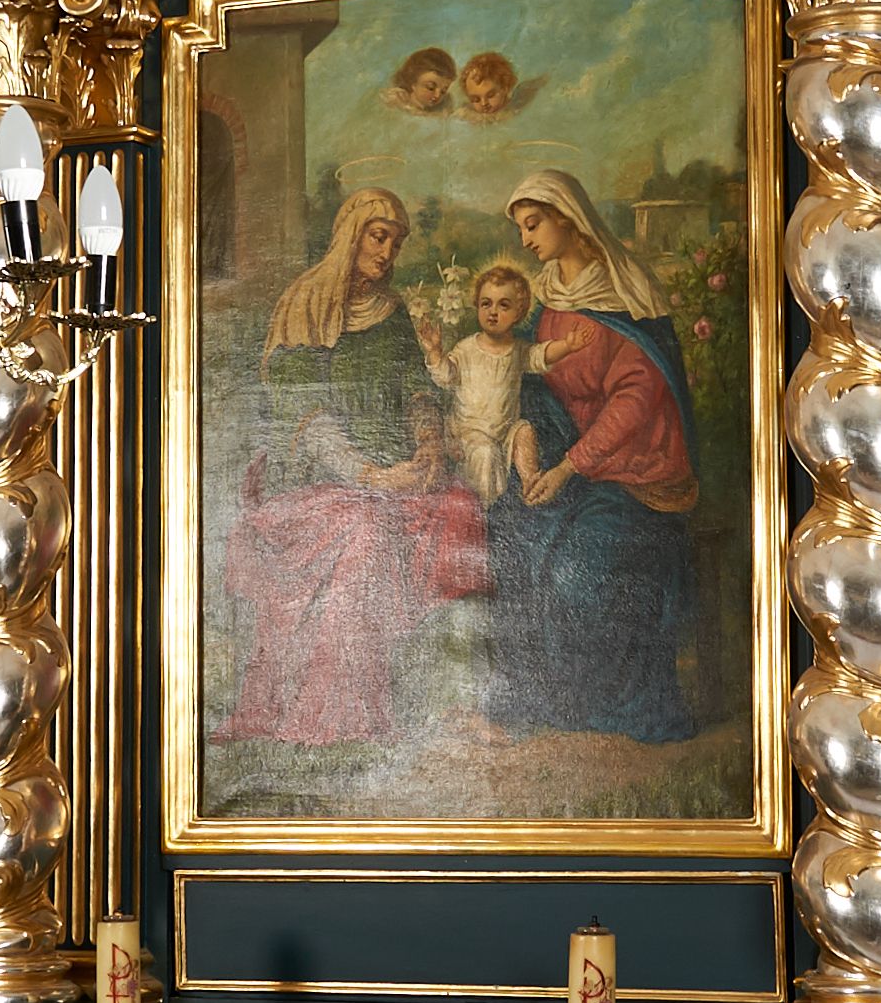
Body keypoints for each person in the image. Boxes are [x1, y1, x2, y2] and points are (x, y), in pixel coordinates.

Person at [221, 189, 490, 750]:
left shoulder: (392, 314)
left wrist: (428, 445)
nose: (387, 252)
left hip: (394, 474)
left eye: (396, 242)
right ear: (351, 233)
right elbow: (304, 418)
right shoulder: (304, 306)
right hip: (314, 481)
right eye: (378, 236)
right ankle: (339, 714)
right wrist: (372, 476)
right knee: (368, 528)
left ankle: (456, 699)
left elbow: (416, 389)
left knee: (461, 507)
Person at [485, 170, 702, 748]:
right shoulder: (549, 300)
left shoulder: (627, 296)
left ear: (568, 218)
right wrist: (531, 456)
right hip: (571, 467)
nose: (526, 239)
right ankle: (539, 698)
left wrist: (568, 468)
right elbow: (533, 384)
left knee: (578, 566)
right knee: (511, 530)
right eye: (521, 228)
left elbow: (635, 400)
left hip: (634, 473)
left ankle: (604, 702)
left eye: (534, 225)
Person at [447, 260, 536, 506]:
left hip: (503, 433)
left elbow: (540, 357)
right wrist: (434, 354)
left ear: (519, 312)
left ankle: (531, 486)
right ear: (477, 305)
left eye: (503, 305)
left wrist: (567, 346)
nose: (493, 312)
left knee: (525, 431)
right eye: (486, 303)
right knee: (485, 453)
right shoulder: (466, 349)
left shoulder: (519, 350)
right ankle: (484, 510)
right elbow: (446, 376)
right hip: (468, 434)